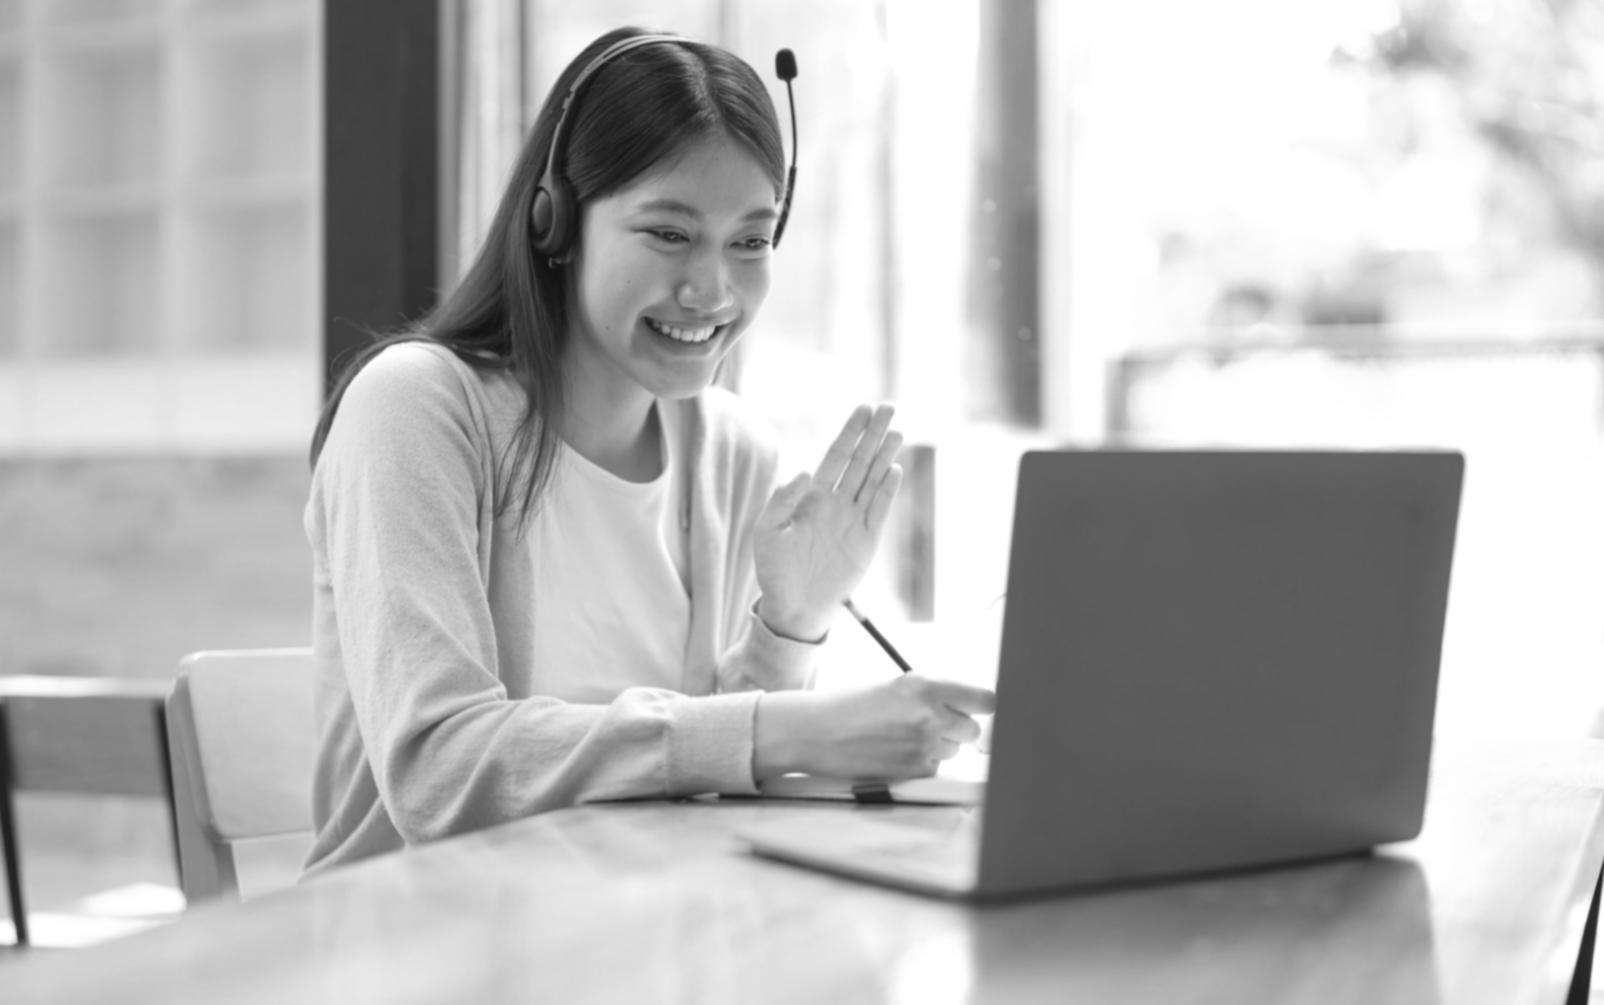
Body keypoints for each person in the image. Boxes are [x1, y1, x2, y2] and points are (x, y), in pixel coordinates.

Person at [302, 26, 994, 874]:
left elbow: (695, 785)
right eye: (669, 234)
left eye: (751, 239)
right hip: (415, 942)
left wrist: (792, 621)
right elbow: (440, 772)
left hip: (631, 927)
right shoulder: (416, 406)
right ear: (556, 223)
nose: (713, 290)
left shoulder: (729, 448)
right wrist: (789, 729)